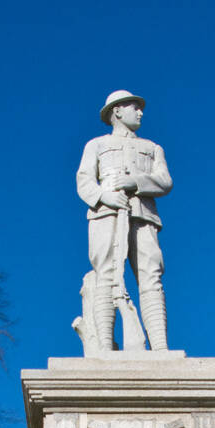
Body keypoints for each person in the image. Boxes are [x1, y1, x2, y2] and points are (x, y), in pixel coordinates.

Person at [75, 90, 172, 352]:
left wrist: (137, 183)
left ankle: (160, 347)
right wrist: (104, 196)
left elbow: (165, 181)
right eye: (134, 107)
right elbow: (84, 180)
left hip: (143, 215)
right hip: (105, 214)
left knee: (150, 276)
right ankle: (105, 347)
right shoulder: (96, 145)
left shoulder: (152, 148)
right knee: (105, 274)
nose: (140, 112)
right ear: (117, 111)